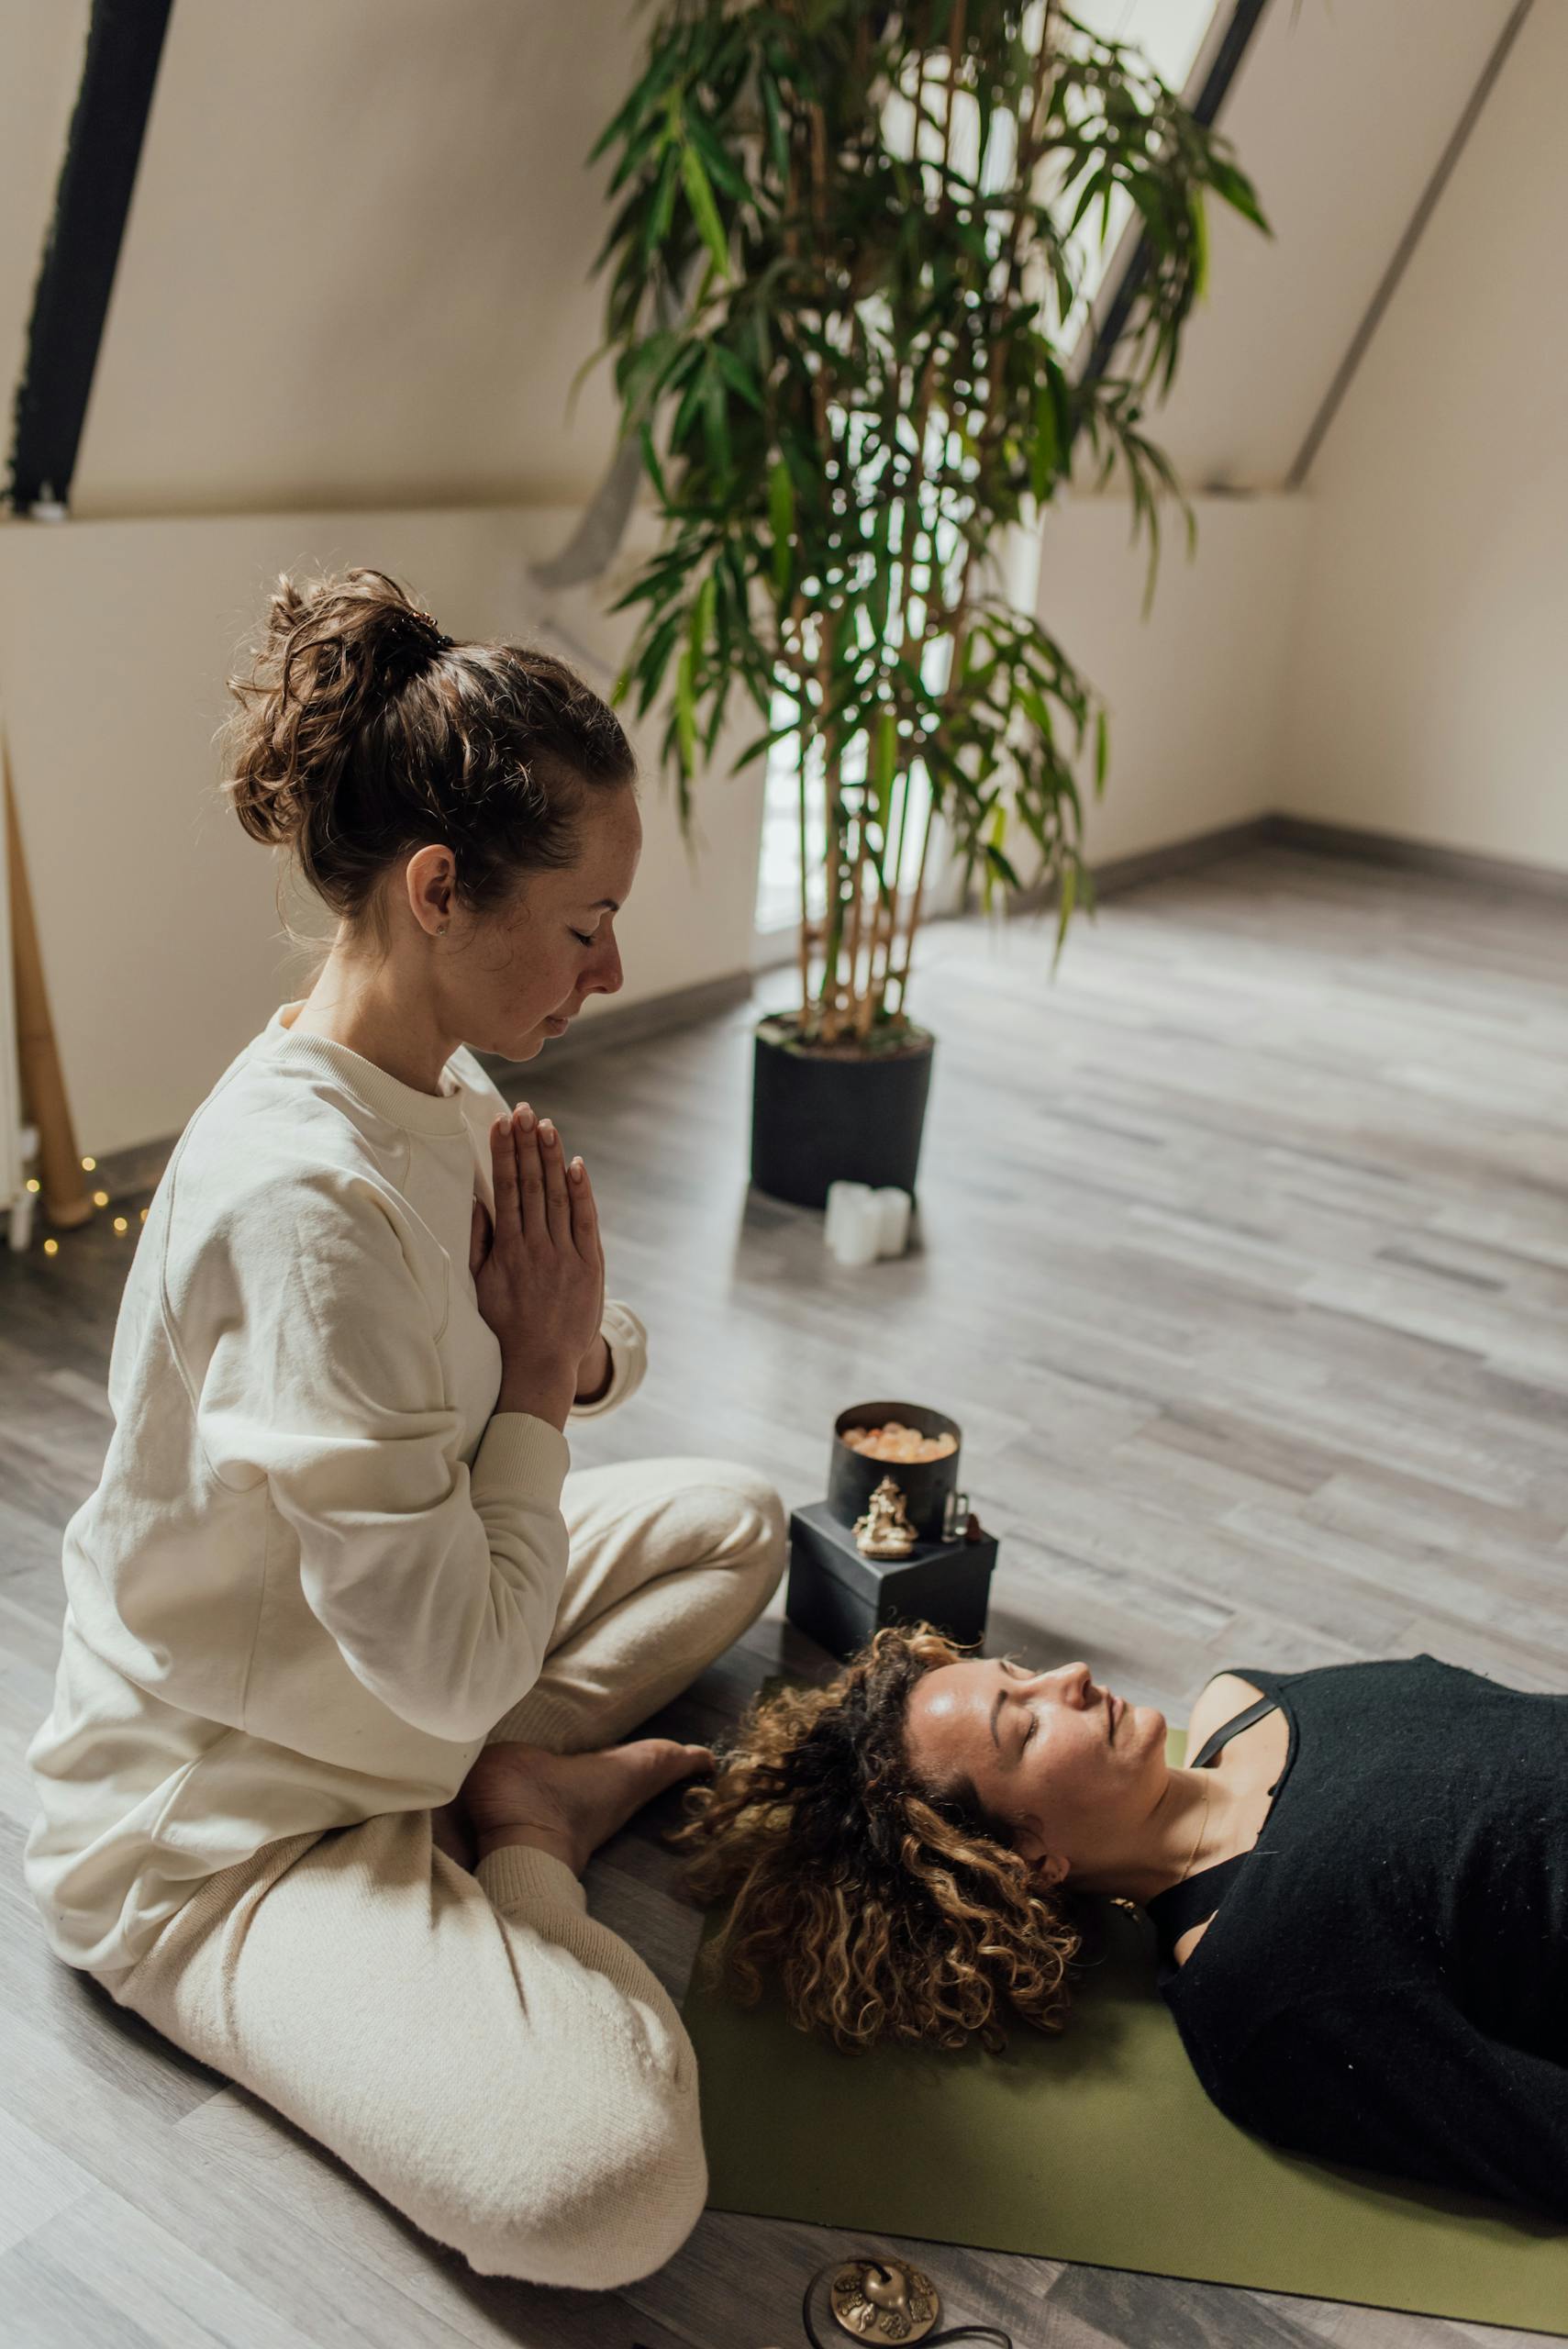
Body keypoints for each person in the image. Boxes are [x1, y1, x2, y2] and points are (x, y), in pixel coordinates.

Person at [22, 567, 789, 2289]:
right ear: (441, 888)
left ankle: (485, 1792)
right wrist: (534, 1380)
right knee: (604, 2194)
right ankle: (528, 1830)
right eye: (585, 922)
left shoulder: (433, 1079)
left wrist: (558, 1362)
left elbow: (574, 1325)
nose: (613, 965)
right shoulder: (304, 1201)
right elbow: (451, 1642)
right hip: (226, 1831)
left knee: (734, 1522)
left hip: (405, 1652)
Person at [670, 1620, 1568, 2224]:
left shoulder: (1242, 1695)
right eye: (1020, 1727)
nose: (1070, 1679)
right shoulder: (1261, 1987)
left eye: (1020, 1674)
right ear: (1021, 1858)